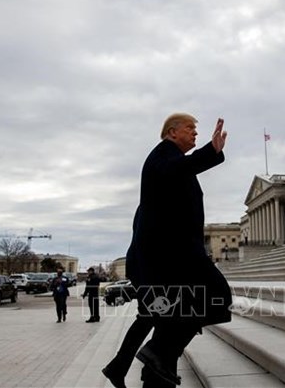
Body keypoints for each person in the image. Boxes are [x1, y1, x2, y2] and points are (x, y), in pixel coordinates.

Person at [127, 114, 232, 388]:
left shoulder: (172, 161)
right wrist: (211, 151)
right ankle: (156, 354)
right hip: (174, 255)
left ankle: (157, 364)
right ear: (172, 133)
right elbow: (179, 169)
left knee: (179, 314)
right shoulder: (162, 157)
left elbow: (183, 170)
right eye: (190, 129)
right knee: (217, 296)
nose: (195, 134)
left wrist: (210, 153)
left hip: (175, 255)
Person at [102, 208, 155, 388]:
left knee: (146, 319)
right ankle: (124, 366)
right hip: (152, 268)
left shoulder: (146, 202)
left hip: (143, 266)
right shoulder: (155, 200)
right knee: (149, 318)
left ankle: (119, 366)